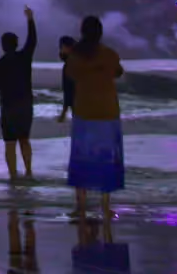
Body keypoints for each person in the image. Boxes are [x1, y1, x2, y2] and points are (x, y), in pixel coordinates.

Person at [63, 15, 125, 222]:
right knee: (106, 159)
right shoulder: (109, 54)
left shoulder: (75, 57)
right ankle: (106, 207)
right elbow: (118, 72)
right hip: (107, 112)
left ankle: (80, 206)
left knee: (81, 158)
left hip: (84, 111)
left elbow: (71, 75)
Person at [0, 5, 39, 181]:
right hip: (26, 106)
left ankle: (13, 175)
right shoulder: (24, 58)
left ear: (2, 46)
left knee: (10, 143)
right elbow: (33, 40)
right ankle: (28, 172)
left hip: (9, 108)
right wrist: (30, 19)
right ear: (16, 44)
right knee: (25, 140)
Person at [58, 35, 78, 122]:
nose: (60, 50)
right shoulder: (77, 61)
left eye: (61, 47)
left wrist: (64, 112)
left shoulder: (71, 64)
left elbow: (69, 90)